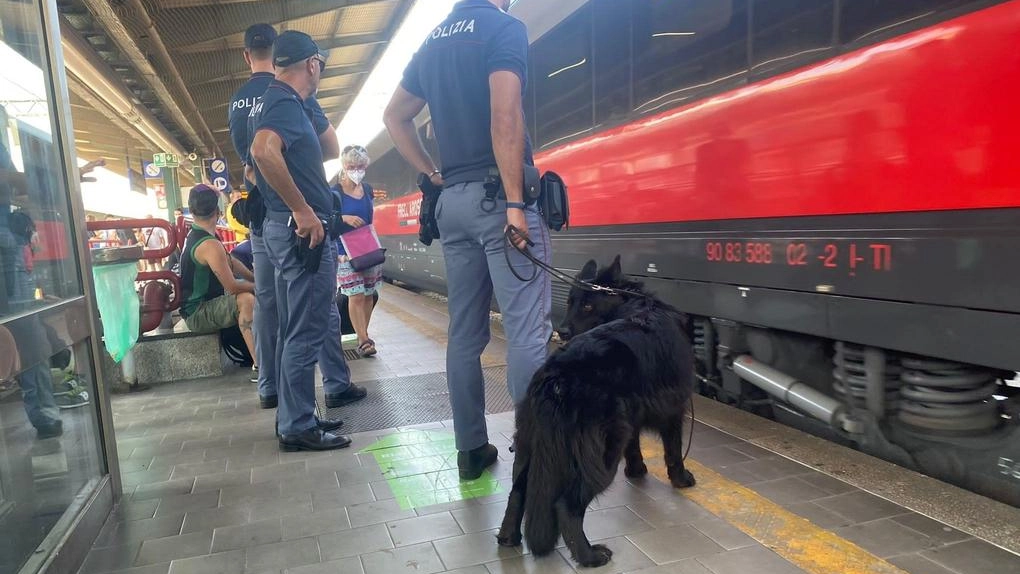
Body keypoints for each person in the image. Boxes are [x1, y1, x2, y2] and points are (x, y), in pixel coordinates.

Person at [384, 0, 553, 480]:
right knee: (526, 332)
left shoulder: (433, 40)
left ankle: (470, 450)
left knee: (464, 333)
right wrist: (516, 203)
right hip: (497, 198)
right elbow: (506, 114)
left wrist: (432, 173)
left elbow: (394, 116)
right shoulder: (502, 28)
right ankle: (536, 455)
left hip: (452, 202)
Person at [231, 24, 363, 423]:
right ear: (312, 64)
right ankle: (298, 424)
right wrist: (303, 210)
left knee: (296, 327)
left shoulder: (268, 99)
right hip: (298, 231)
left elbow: (253, 162)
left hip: (279, 227)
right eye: (320, 65)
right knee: (306, 331)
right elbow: (262, 151)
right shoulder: (287, 102)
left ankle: (295, 416)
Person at [178, 185, 258, 362]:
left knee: (250, 292)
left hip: (198, 308)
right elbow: (232, 286)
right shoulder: (209, 244)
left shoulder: (200, 235)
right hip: (197, 313)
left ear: (191, 210)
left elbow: (231, 262)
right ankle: (260, 364)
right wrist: (261, 286)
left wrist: (254, 279)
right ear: (218, 211)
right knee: (246, 299)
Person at [333, 145, 383, 357]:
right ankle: (363, 339)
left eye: (360, 166)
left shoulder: (368, 190)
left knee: (369, 294)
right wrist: (343, 218)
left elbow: (369, 220)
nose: (356, 170)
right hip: (345, 251)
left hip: (367, 249)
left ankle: (362, 332)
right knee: (356, 294)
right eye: (352, 166)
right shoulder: (334, 192)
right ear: (344, 166)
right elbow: (328, 221)